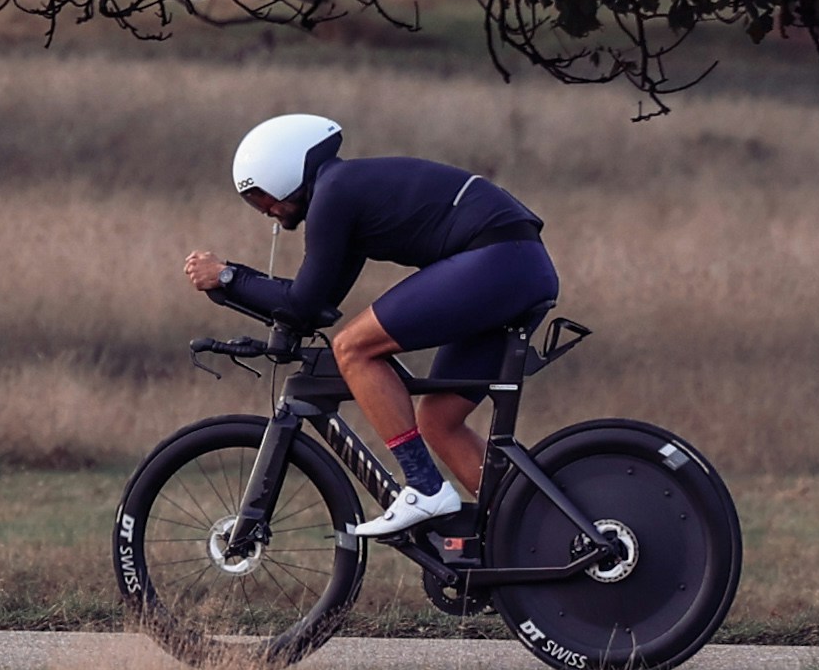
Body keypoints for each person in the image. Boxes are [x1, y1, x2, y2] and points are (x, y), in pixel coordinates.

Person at [180, 113, 558, 537]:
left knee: (353, 349)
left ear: (283, 170)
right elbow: (313, 305)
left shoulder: (333, 193)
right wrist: (246, 294)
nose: (267, 211)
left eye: (261, 197)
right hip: (518, 268)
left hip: (499, 262)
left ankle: (424, 486)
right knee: (438, 421)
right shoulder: (348, 194)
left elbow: (303, 300)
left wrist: (228, 276)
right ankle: (537, 536)